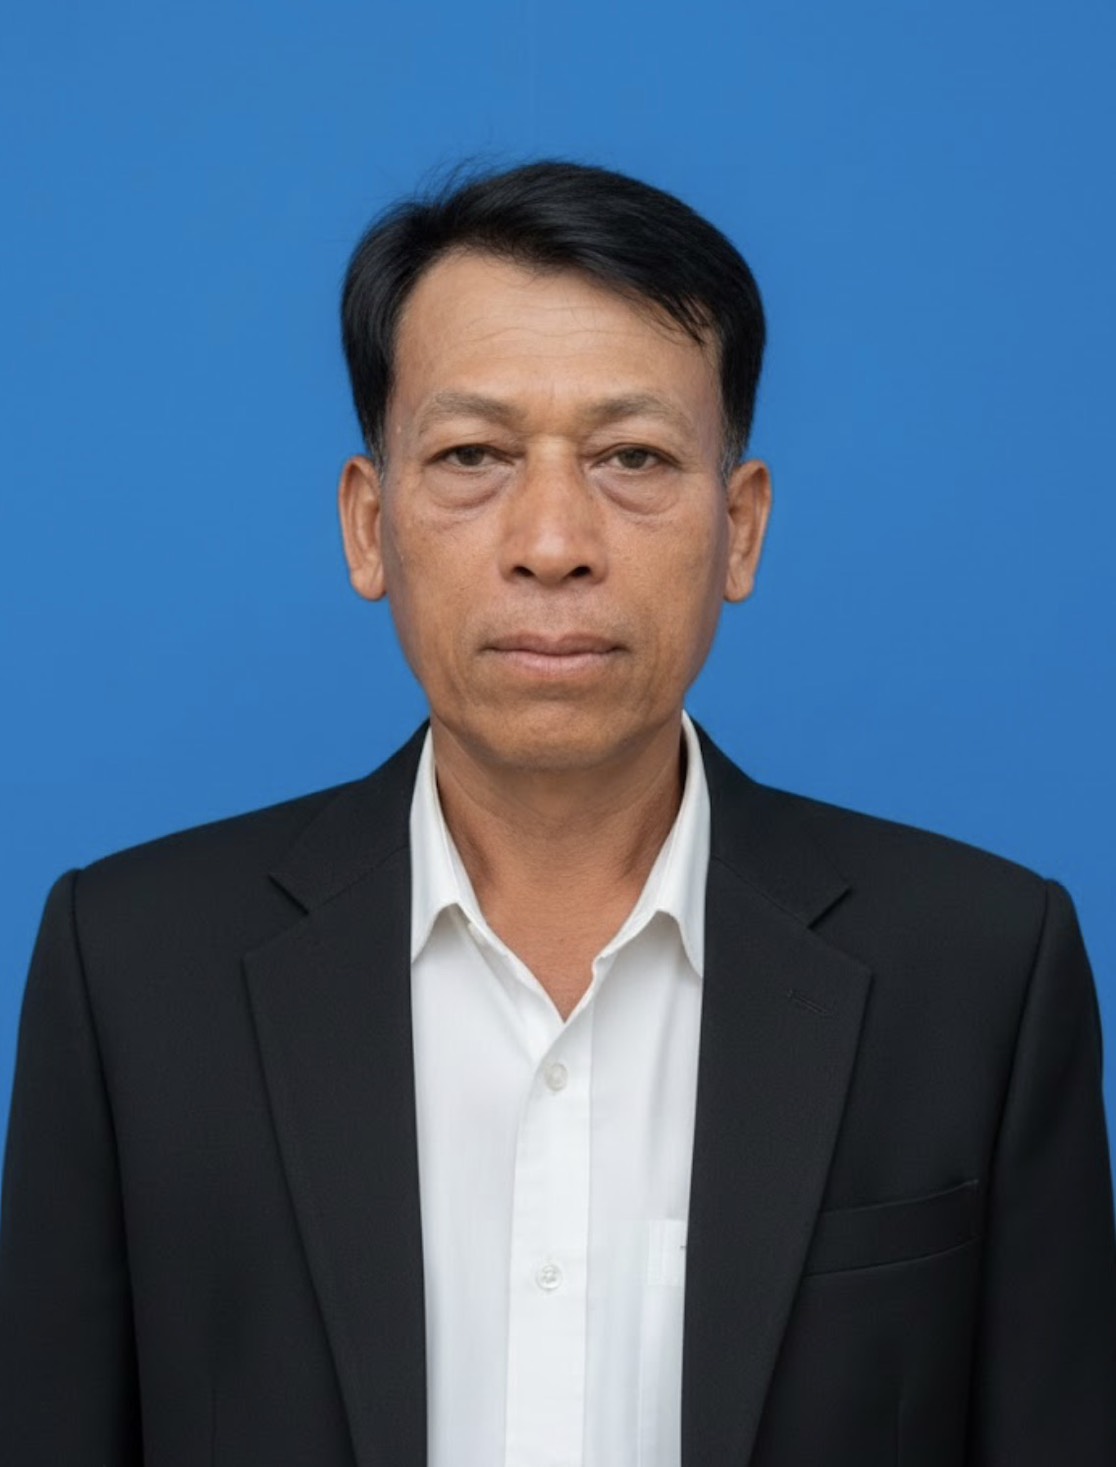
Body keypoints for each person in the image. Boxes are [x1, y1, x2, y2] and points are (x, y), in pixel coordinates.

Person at [1, 160, 1114, 1467]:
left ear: (740, 530)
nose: (551, 541)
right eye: (472, 456)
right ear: (369, 525)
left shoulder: (982, 972)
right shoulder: (130, 972)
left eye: (632, 457)